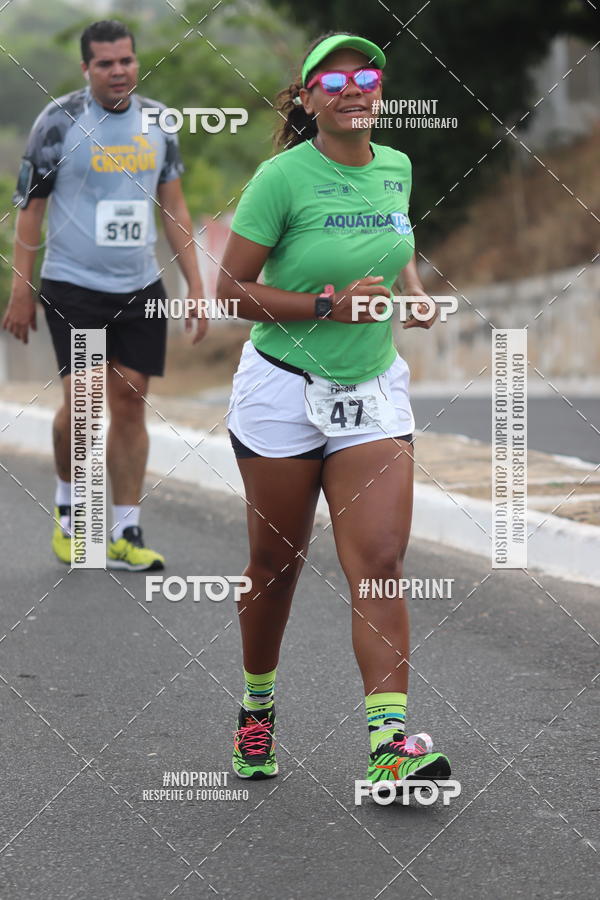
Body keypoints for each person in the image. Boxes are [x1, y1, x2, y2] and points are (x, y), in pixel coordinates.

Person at [217, 32, 452, 790]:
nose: (354, 89)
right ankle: (258, 707)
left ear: (380, 93)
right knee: (276, 566)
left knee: (379, 563)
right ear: (309, 98)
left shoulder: (397, 166)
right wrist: (327, 305)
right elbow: (229, 292)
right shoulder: (281, 179)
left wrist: (412, 292)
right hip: (283, 388)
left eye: (367, 78)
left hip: (370, 390)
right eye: (334, 80)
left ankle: (389, 745)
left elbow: (395, 239)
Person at [3, 19, 207, 571]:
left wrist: (195, 284)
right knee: (86, 399)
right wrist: (21, 290)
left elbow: (174, 207)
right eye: (106, 63)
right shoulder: (58, 122)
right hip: (74, 284)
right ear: (86, 68)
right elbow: (31, 211)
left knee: (131, 398)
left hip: (139, 284)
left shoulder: (159, 122)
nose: (119, 71)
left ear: (136, 62)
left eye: (126, 60)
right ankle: (71, 516)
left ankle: (124, 531)